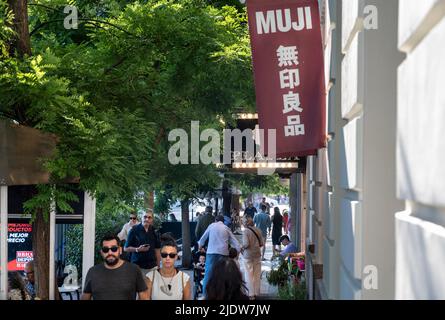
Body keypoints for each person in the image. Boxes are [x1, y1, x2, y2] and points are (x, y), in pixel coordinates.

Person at [81, 234, 148, 300]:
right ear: (101, 252)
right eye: (105, 249)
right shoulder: (92, 272)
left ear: (120, 250)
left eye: (114, 249)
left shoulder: (134, 270)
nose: (110, 253)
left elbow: (144, 297)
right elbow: (85, 297)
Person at [198, 214, 241, 298]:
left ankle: (205, 295)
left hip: (211, 253)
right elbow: (235, 242)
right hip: (223, 253)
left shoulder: (211, 226)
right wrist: (238, 251)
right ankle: (222, 294)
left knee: (208, 274)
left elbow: (203, 238)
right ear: (223, 221)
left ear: (215, 220)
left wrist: (200, 246)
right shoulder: (226, 228)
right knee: (222, 275)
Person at [145, 235, 191, 300]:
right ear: (160, 256)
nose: (168, 258)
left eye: (172, 255)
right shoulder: (150, 277)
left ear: (176, 257)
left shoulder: (184, 278)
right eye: (164, 255)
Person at [125, 211, 161, 277]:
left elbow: (157, 249)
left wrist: (158, 266)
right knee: (139, 287)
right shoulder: (134, 230)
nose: (147, 219)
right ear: (141, 218)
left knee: (152, 287)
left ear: (152, 219)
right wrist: (137, 249)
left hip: (152, 267)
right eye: (145, 217)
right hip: (137, 267)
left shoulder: (154, 231)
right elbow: (126, 248)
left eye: (149, 217)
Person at [240, 216, 263, 300]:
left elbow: (246, 244)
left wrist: (241, 247)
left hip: (248, 255)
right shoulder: (258, 230)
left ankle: (250, 294)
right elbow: (262, 243)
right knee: (257, 274)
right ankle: (256, 292)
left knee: (248, 274)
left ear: (246, 224)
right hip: (257, 254)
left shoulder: (245, 231)